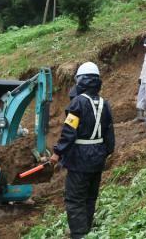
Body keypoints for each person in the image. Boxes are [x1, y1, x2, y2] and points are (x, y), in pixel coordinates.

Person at [51, 62, 115, 239]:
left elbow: (69, 133)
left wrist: (57, 153)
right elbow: (110, 132)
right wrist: (105, 152)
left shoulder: (77, 103)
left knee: (75, 199)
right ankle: (86, 229)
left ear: (80, 81)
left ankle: (79, 234)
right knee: (90, 196)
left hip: (80, 159)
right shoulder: (105, 103)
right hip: (98, 158)